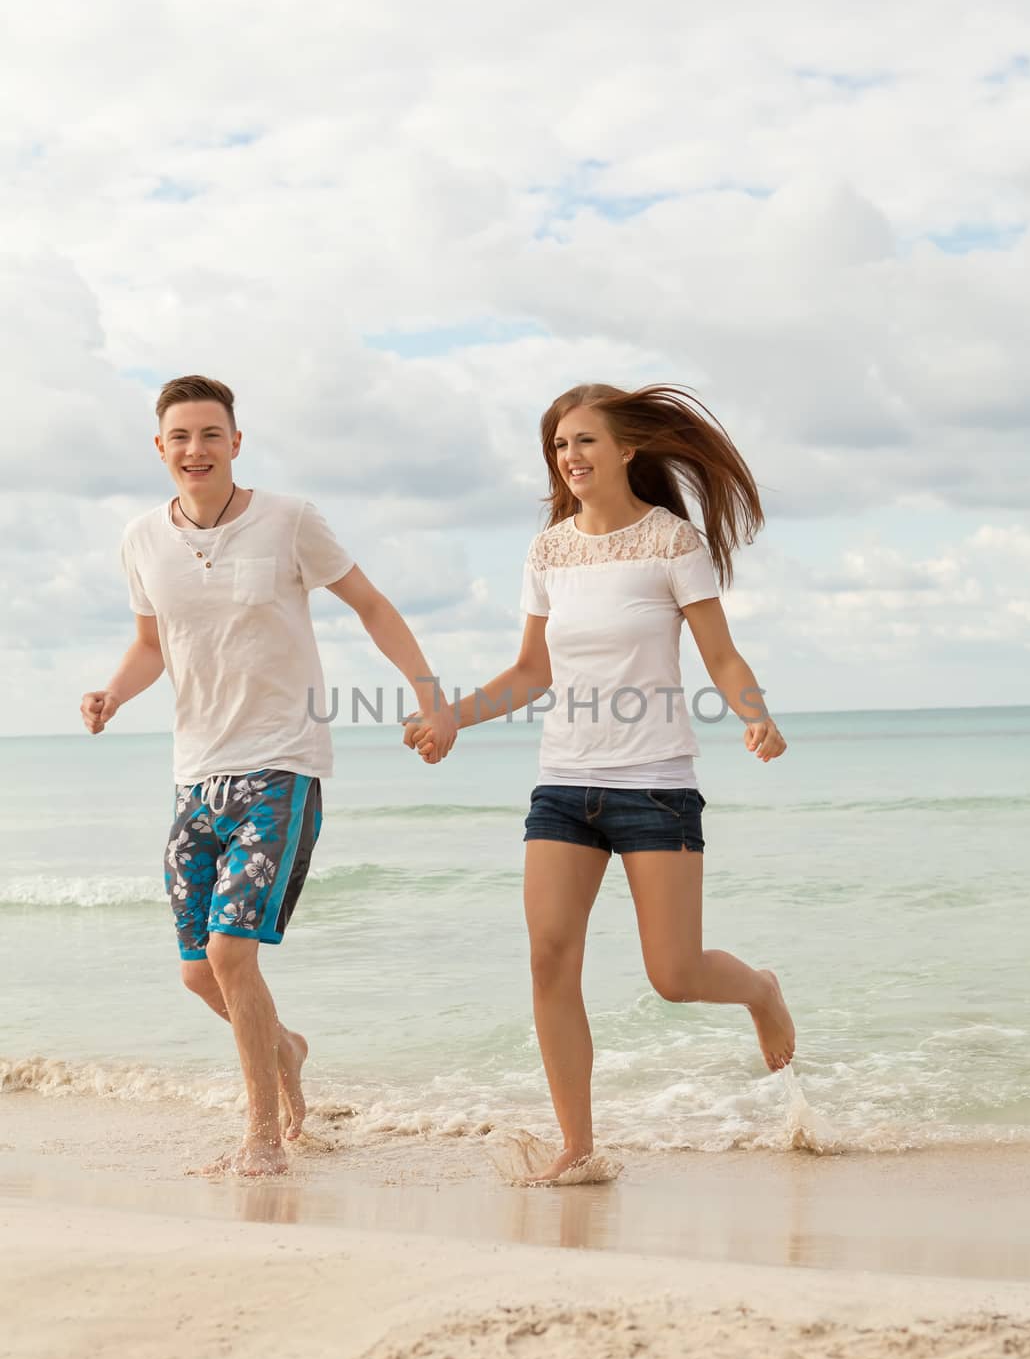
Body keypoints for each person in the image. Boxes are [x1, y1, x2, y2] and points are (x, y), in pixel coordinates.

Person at [406, 383, 795, 1182]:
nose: (570, 458)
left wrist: (753, 714)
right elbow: (530, 671)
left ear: (625, 450)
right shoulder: (547, 550)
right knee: (548, 960)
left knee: (674, 976)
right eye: (558, 446)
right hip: (562, 785)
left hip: (655, 784)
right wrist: (451, 718)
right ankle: (576, 1149)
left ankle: (759, 990)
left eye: (584, 441)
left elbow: (719, 654)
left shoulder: (671, 542)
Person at [80, 375, 456, 1177]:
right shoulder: (142, 538)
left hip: (281, 765)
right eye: (180, 437)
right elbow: (152, 643)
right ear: (160, 448)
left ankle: (262, 1135)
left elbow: (371, 604)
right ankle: (283, 1047)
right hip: (195, 776)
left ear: (236, 442)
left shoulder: (288, 521)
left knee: (230, 953)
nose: (195, 450)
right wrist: (114, 691)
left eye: (211, 434)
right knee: (196, 971)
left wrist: (429, 695)